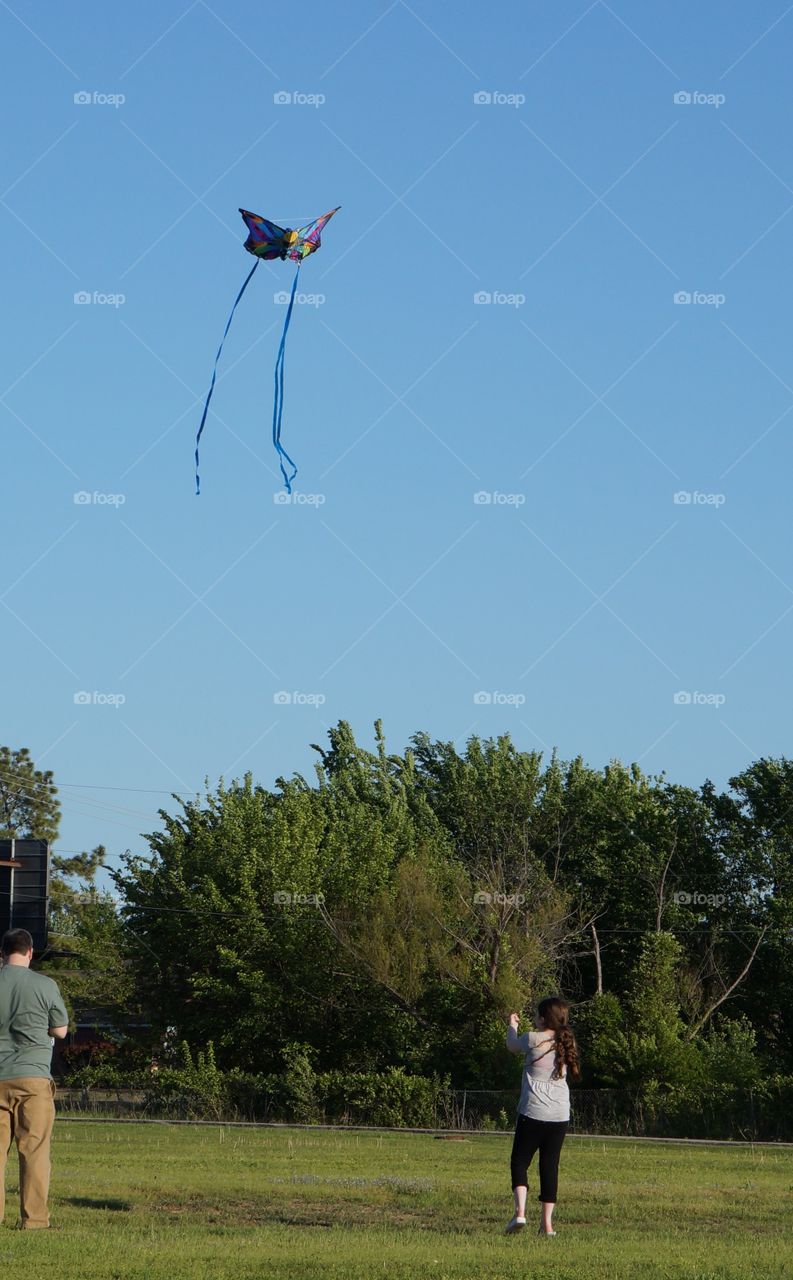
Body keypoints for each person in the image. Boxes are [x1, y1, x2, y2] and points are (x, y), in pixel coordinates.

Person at [0, 928, 69, 1229]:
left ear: (2, 953)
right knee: (35, 1151)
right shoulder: (45, 984)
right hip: (34, 1079)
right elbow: (60, 1031)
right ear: (30, 952)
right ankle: (35, 1220)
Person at [504, 995, 580, 1237]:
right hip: (559, 1115)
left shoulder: (533, 1038)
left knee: (520, 1161)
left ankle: (520, 1213)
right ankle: (547, 1225)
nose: (535, 1018)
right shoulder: (567, 1041)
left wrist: (512, 1025)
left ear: (543, 1018)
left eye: (538, 1014)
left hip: (532, 1111)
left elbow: (511, 1046)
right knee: (549, 1166)